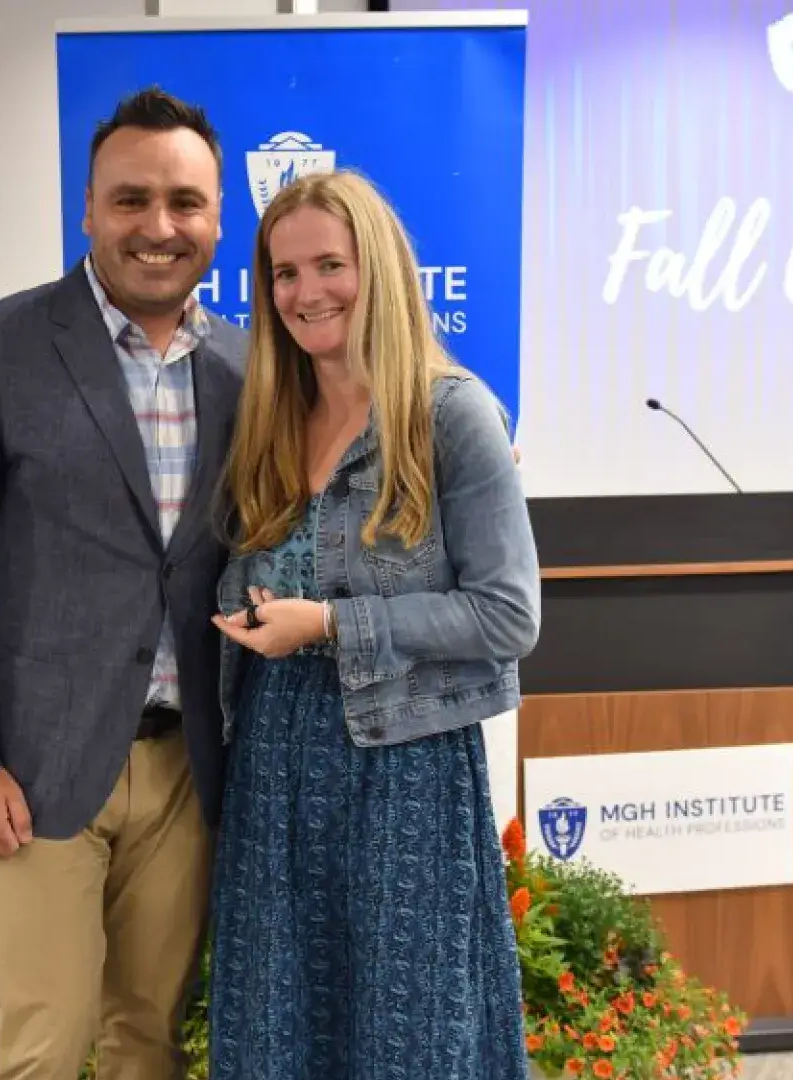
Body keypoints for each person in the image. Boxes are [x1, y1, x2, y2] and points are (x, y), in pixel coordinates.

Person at [0, 87, 247, 1080]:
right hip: (32, 773)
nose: (159, 227)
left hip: (187, 774)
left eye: (185, 203)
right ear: (87, 210)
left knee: (150, 1042)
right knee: (41, 1046)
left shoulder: (248, 369)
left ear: (218, 218)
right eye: (131, 200)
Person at [205, 169, 539, 1080]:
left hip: (406, 771)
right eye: (283, 274)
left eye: (329, 264)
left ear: (379, 269)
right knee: (280, 1027)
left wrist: (329, 626)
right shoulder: (270, 415)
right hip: (273, 761)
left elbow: (509, 615)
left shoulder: (452, 415)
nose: (307, 293)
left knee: (408, 1039)